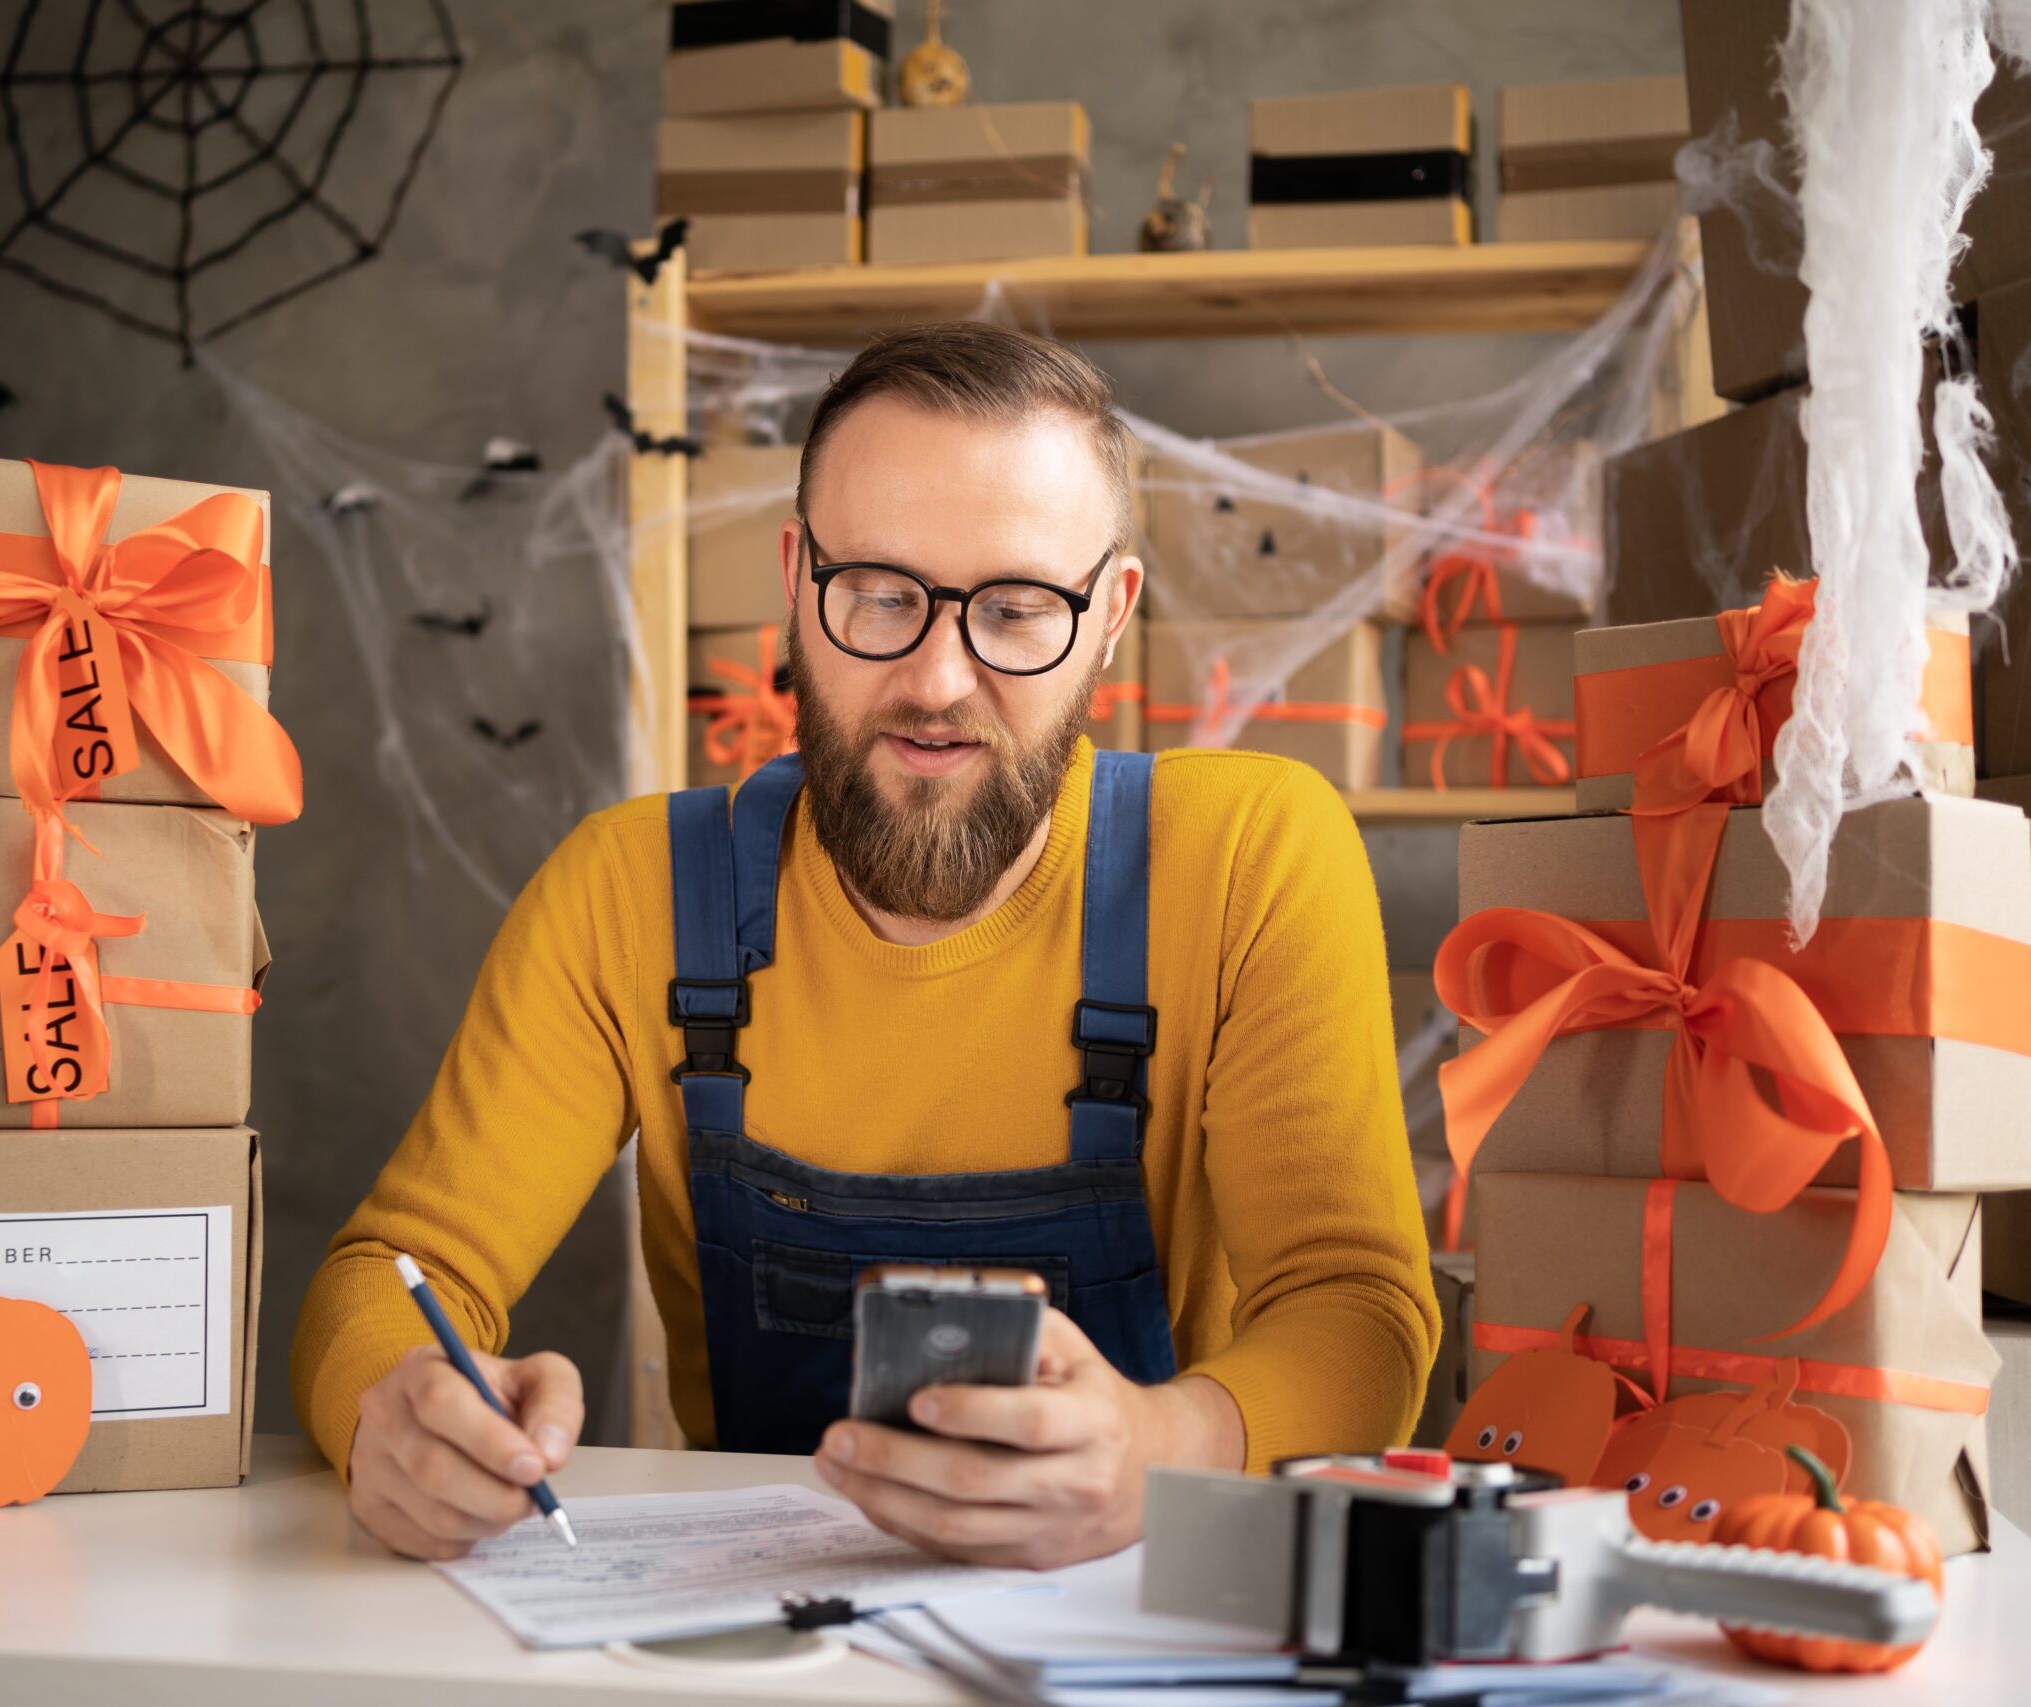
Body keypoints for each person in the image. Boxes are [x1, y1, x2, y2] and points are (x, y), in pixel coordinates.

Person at [294, 322, 1439, 1570]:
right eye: (882, 596)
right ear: (795, 580)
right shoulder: (624, 893)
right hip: (757, 1631)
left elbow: (1357, 1312)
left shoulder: (1249, 858)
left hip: (1128, 1620)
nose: (937, 679)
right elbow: (393, 1272)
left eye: (1014, 609)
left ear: (1110, 615)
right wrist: (392, 1415)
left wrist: (1161, 1449)